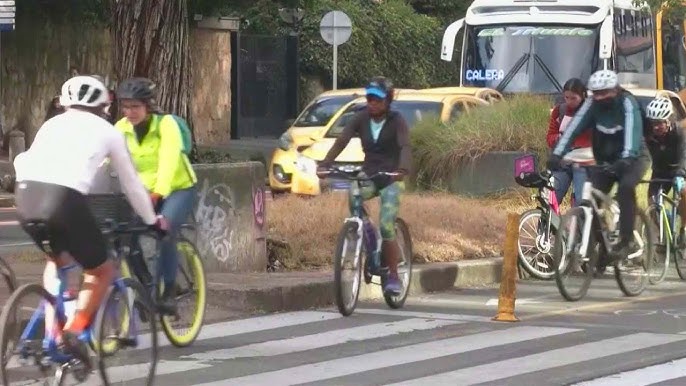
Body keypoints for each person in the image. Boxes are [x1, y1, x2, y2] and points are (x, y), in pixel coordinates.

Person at [13, 75, 168, 367]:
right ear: (103, 106)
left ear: (65, 102)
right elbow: (131, 184)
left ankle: (51, 332)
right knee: (101, 271)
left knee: (56, 261)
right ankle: (73, 330)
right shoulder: (108, 131)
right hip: (63, 201)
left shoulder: (51, 125)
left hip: (24, 196)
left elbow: (25, 160)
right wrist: (152, 219)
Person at [316, 76, 411, 295]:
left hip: (390, 177)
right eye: (369, 98)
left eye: (377, 99)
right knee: (354, 194)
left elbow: (405, 146)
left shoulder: (397, 121)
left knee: (387, 224)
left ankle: (393, 276)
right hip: (369, 173)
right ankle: (365, 236)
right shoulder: (360, 118)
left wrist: (402, 170)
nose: (372, 103)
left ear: (388, 100)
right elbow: (342, 139)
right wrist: (326, 164)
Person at [115, 77, 198, 314]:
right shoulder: (121, 128)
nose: (129, 112)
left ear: (148, 106)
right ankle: (145, 287)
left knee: (165, 230)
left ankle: (169, 291)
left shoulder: (166, 125)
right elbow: (107, 159)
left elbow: (169, 161)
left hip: (178, 188)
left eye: (135, 107)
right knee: (125, 237)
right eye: (126, 106)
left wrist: (158, 193)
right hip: (144, 193)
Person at [548, 69, 650, 261]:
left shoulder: (627, 103)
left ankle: (626, 241)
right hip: (607, 159)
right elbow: (573, 129)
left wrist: (626, 159)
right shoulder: (591, 105)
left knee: (626, 188)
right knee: (591, 200)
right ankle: (602, 247)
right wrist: (557, 154)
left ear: (615, 90)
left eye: (604, 93)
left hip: (634, 156)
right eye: (596, 93)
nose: (600, 97)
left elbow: (632, 131)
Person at [643, 97, 686, 243]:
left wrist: (680, 174)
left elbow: (682, 157)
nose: (655, 127)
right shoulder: (649, 134)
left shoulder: (679, 133)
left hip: (679, 169)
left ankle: (683, 230)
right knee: (653, 204)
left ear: (668, 121)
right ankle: (665, 234)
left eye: (659, 123)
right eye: (653, 123)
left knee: (684, 195)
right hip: (659, 171)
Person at [546, 78, 593, 205]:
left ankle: (578, 223)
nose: (569, 101)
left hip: (583, 162)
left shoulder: (591, 112)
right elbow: (550, 136)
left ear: (583, 96)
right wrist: (557, 139)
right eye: (567, 97)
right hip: (563, 161)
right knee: (551, 197)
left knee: (580, 201)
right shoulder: (559, 111)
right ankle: (548, 224)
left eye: (574, 98)